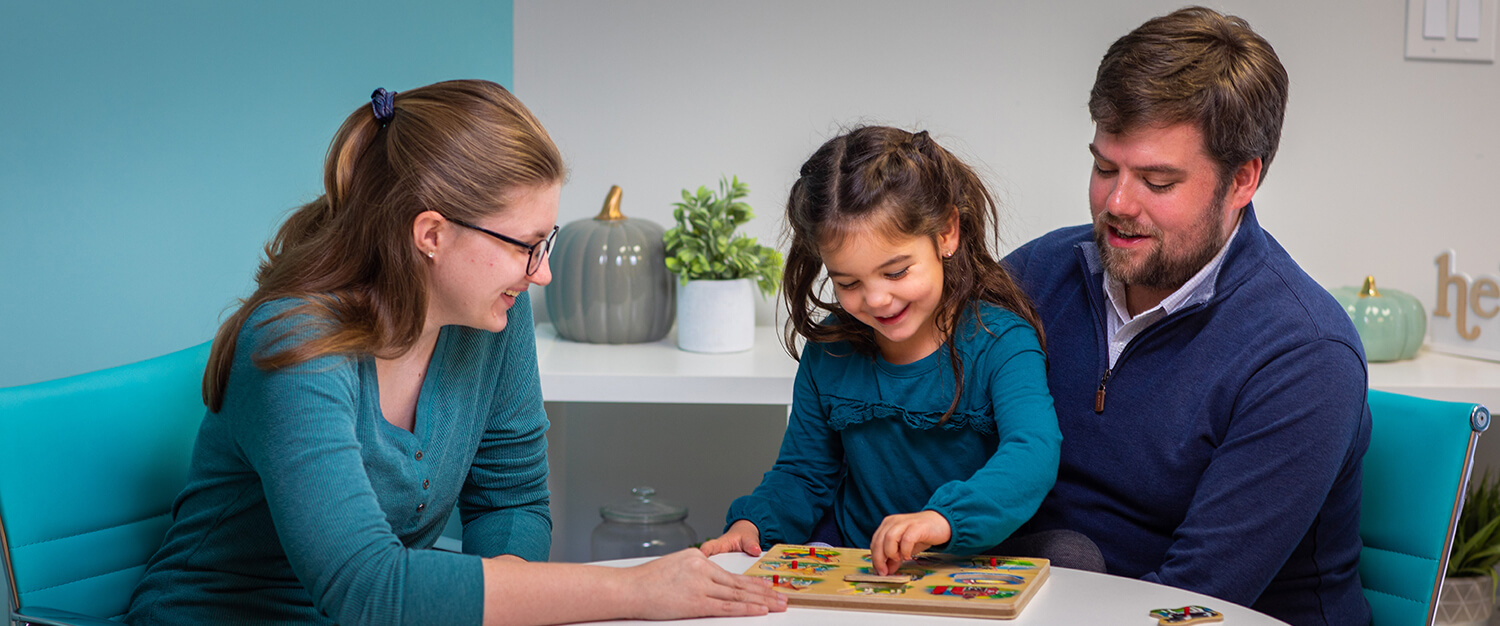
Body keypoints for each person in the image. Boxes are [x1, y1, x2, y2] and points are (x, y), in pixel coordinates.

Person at [125, 80, 785, 626]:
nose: (542, 272)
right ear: (432, 234)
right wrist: (635, 590)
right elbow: (367, 588)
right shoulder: (295, 342)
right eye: (527, 245)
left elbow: (511, 502)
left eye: (547, 241)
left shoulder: (492, 316)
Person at [1001, 7, 1371, 625]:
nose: (1117, 204)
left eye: (1157, 181)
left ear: (1243, 179)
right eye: (1103, 167)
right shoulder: (1039, 274)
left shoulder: (1305, 356)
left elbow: (1192, 603)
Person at [700, 126, 1075, 576]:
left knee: (1073, 553)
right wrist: (753, 524)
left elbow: (1032, 451)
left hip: (974, 560)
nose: (875, 300)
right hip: (861, 561)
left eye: (895, 272)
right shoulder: (832, 348)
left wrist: (942, 521)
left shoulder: (1002, 341)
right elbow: (802, 473)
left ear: (947, 233)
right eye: (849, 283)